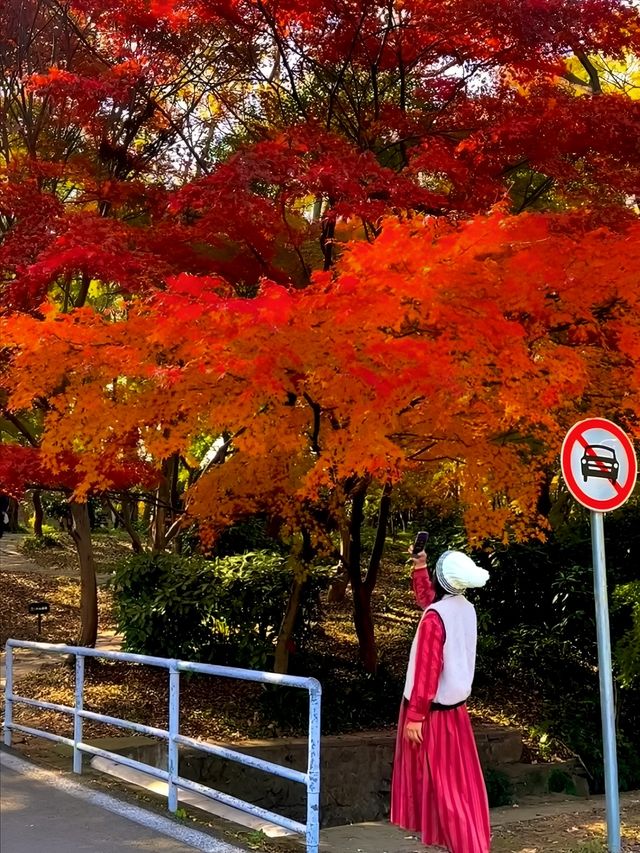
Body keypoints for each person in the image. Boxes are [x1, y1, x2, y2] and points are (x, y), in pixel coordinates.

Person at [391, 547, 491, 853]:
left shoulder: (436, 619)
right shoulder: (463, 608)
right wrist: (420, 567)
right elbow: (428, 600)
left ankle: (468, 846)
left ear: (443, 581)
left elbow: (427, 671)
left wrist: (416, 716)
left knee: (448, 789)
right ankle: (465, 842)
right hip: (454, 712)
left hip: (433, 713)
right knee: (457, 784)